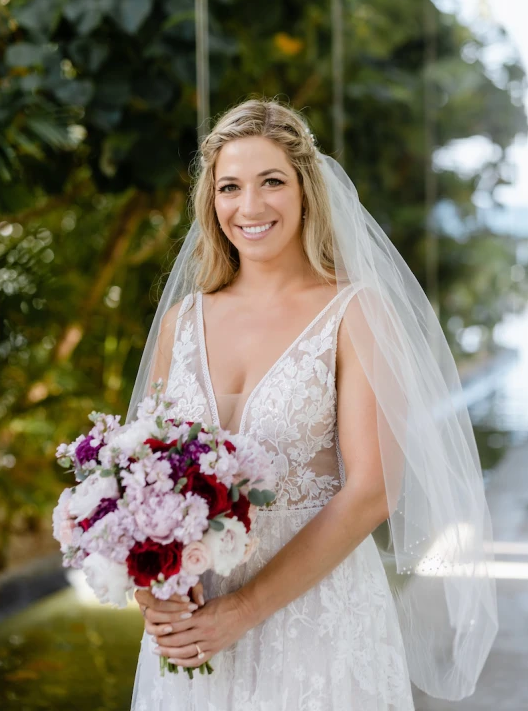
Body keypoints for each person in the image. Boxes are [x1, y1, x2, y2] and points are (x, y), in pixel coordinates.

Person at [128, 99, 497, 710]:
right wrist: (153, 594)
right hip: (191, 630)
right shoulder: (181, 322)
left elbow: (374, 491)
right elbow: (142, 484)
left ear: (306, 190)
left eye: (272, 181)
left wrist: (240, 612)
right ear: (211, 202)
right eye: (230, 187)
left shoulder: (354, 314)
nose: (250, 206)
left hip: (317, 623)